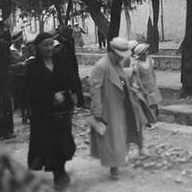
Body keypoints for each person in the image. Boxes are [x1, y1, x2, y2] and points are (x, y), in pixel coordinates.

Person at [89, 37, 150, 180]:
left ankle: (116, 163)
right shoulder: (101, 66)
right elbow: (95, 88)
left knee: (120, 136)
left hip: (119, 106)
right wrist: (97, 110)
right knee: (111, 138)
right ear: (112, 52)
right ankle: (113, 167)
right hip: (107, 108)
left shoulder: (117, 65)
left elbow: (121, 79)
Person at [26, 32, 77, 190]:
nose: (49, 48)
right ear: (38, 48)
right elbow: (31, 90)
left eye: (51, 44)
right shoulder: (33, 66)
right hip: (44, 113)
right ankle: (58, 172)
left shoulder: (60, 61)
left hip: (62, 110)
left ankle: (59, 168)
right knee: (51, 144)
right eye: (45, 45)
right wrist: (51, 96)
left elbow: (71, 78)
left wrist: (72, 94)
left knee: (65, 143)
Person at [54, 26, 84, 108]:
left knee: (76, 83)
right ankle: (68, 104)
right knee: (66, 85)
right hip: (62, 65)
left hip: (72, 63)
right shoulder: (57, 41)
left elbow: (72, 52)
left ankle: (81, 102)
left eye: (69, 33)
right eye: (66, 33)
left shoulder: (71, 39)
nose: (68, 35)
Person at [131, 42, 162, 118]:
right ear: (141, 54)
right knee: (148, 104)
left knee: (155, 103)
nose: (147, 53)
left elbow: (152, 73)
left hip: (152, 86)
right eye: (145, 52)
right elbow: (138, 79)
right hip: (144, 87)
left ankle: (154, 117)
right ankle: (149, 119)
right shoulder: (137, 65)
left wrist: (155, 82)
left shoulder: (150, 61)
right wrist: (142, 89)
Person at [10, 31, 32, 124]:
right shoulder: (10, 51)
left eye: (21, 40)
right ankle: (23, 114)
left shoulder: (25, 48)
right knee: (21, 96)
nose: (20, 42)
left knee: (29, 95)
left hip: (27, 75)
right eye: (18, 41)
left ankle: (29, 114)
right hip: (17, 77)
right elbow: (9, 65)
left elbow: (30, 57)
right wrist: (19, 65)